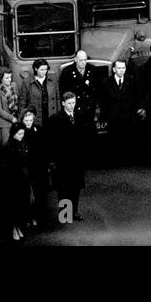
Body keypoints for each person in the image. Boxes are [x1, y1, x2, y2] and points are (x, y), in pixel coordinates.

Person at [50, 91, 86, 221]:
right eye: (69, 103)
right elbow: (53, 141)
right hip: (63, 160)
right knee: (64, 188)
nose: (72, 106)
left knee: (76, 187)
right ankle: (65, 214)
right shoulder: (56, 119)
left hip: (77, 159)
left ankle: (74, 212)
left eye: (74, 103)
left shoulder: (80, 116)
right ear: (63, 103)